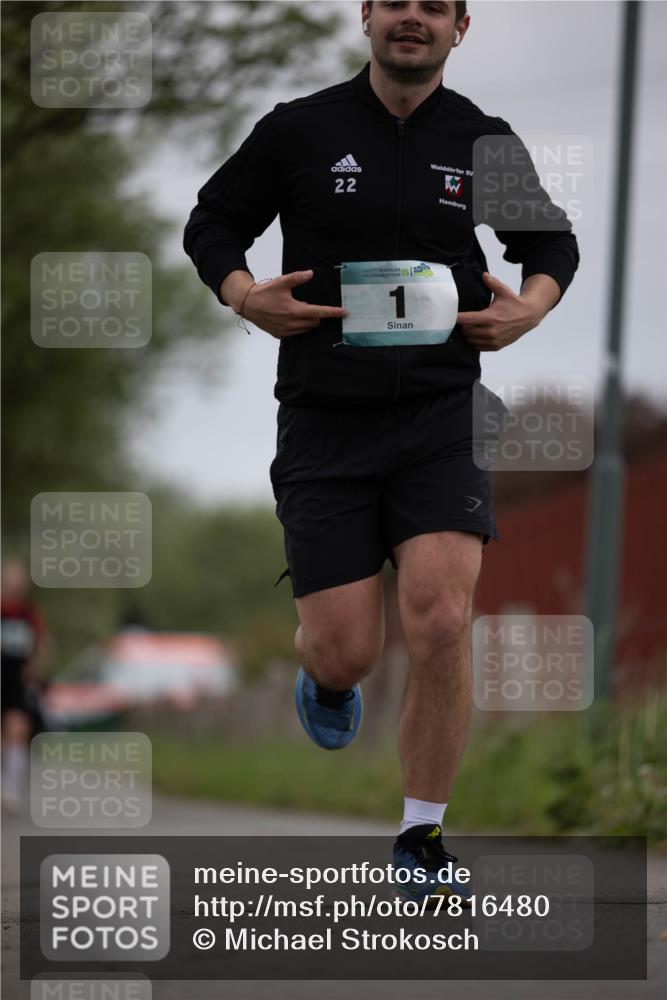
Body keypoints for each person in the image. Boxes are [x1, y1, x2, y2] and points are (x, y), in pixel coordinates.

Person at [183, 0, 579, 903]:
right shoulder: (299, 130)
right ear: (365, 16)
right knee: (346, 651)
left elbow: (548, 241)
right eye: (395, 1)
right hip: (324, 421)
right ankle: (324, 679)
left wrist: (532, 303)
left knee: (442, 618)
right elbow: (210, 223)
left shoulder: (483, 140)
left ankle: (420, 833)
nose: (413, 18)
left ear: (459, 27)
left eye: (433, 6)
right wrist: (244, 295)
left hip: (439, 415)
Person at [1, 558, 51, 813]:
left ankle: (9, 786)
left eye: (19, 578)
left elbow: (43, 644)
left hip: (18, 679)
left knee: (17, 728)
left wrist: (36, 666)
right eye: (10, 577)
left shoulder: (28, 613)